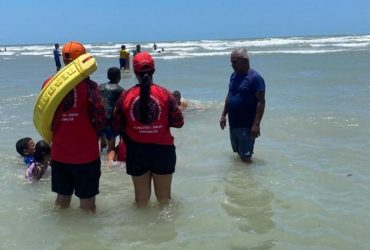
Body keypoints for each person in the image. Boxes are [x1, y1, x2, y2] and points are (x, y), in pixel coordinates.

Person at [113, 52, 184, 206]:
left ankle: (141, 229)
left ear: (135, 72)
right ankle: (166, 230)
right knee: (165, 201)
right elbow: (179, 122)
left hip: (137, 152)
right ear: (154, 71)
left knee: (141, 201)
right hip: (163, 151)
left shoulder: (126, 96)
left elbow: (115, 124)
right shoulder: (165, 94)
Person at [44, 41, 107, 212]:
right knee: (87, 204)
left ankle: (63, 236)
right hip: (86, 155)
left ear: (64, 61)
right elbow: (100, 118)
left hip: (60, 154)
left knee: (62, 201)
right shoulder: (91, 87)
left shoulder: (48, 84)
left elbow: (44, 116)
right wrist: (102, 137)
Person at [220, 48, 266, 164]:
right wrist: (223, 114)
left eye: (235, 62)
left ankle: (250, 181)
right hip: (233, 124)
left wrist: (256, 125)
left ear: (245, 60)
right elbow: (230, 94)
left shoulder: (255, 78)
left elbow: (261, 102)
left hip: (247, 126)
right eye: (231, 62)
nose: (232, 65)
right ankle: (239, 180)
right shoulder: (233, 76)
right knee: (238, 154)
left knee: (246, 158)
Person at [99, 67, 124, 161]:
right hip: (111, 121)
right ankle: (109, 167)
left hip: (99, 119)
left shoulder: (100, 87)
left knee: (100, 144)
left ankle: (98, 162)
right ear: (119, 77)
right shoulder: (120, 90)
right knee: (111, 148)